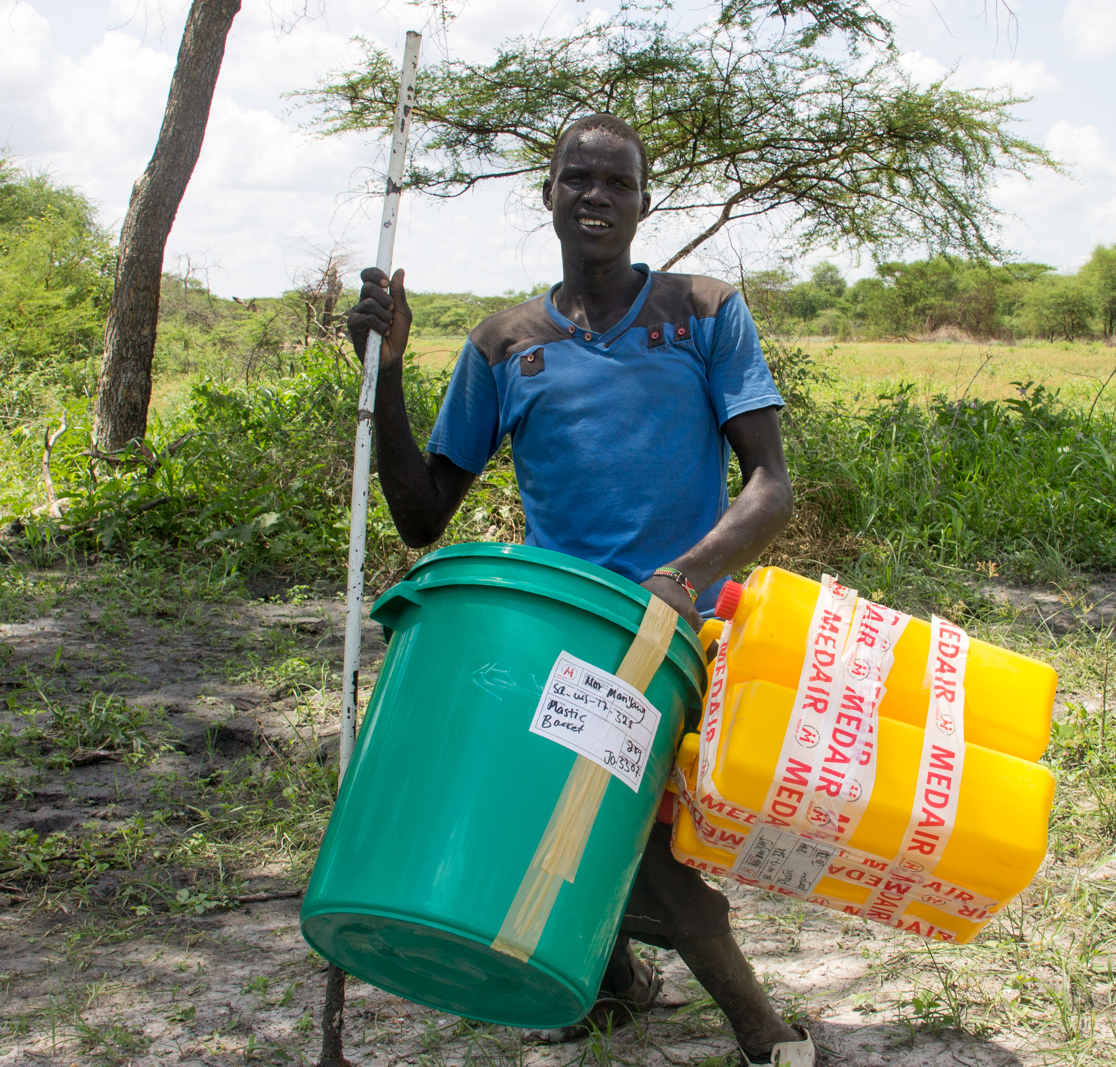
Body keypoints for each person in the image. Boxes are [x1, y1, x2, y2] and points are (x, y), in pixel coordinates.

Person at [345, 113, 814, 1067]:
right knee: (580, 811)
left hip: (681, 628)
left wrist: (682, 578)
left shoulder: (703, 310)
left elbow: (771, 485)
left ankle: (762, 1032)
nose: (596, 195)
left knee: (631, 832)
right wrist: (385, 373)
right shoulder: (503, 344)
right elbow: (422, 513)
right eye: (577, 178)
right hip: (570, 633)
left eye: (617, 182)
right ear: (549, 194)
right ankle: (616, 986)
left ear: (644, 202)